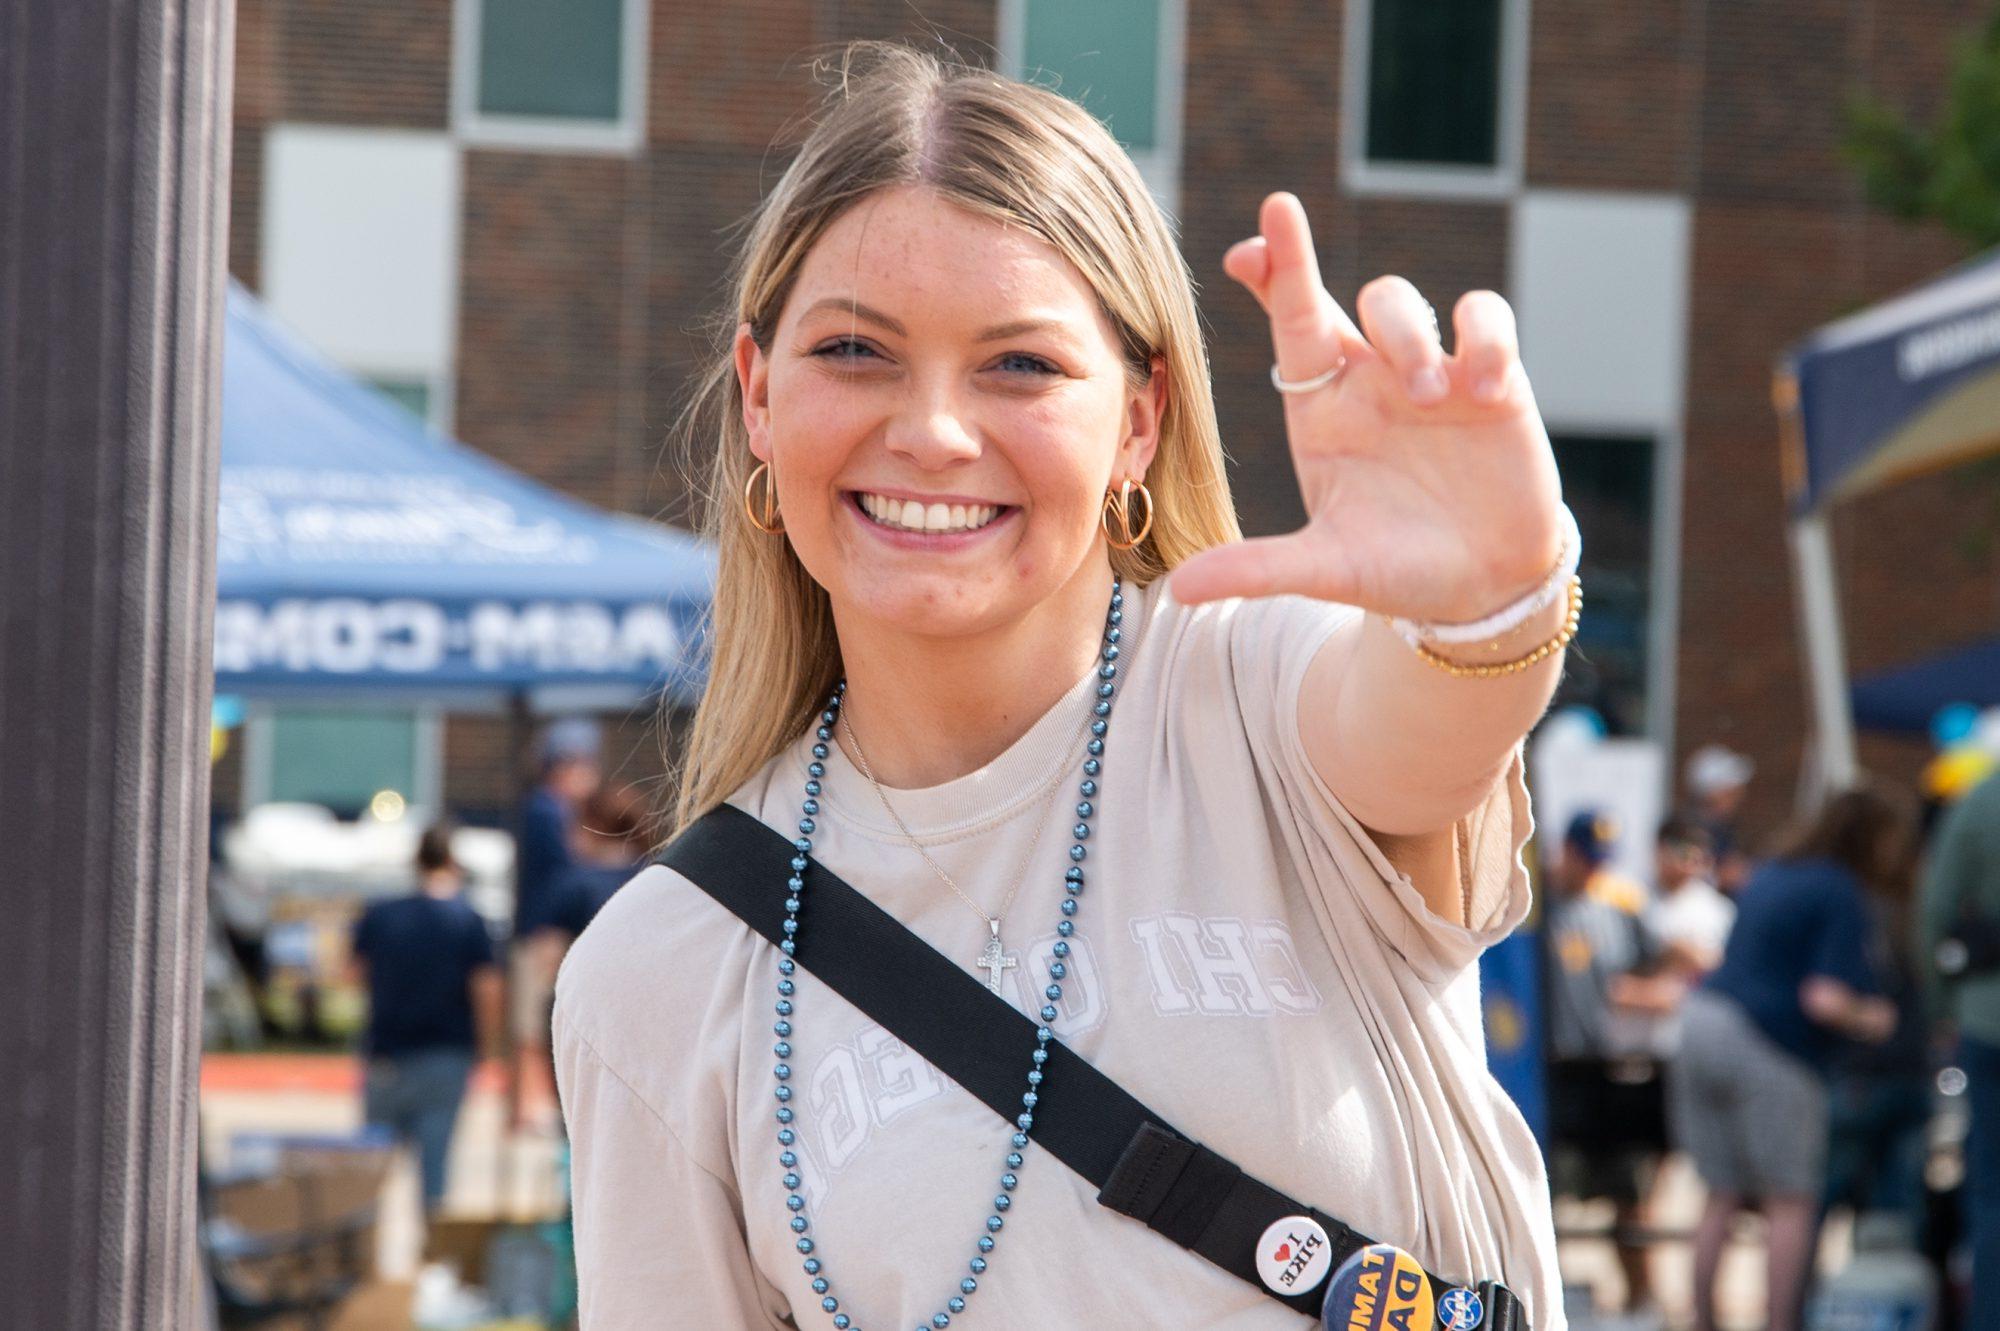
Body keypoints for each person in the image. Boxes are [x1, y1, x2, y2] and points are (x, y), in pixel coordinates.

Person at [554, 43, 1576, 1327]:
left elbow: (1432, 723)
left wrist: (1492, 598)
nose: (931, 428)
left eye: (1019, 364)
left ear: (1138, 421)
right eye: (855, 350)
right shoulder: (662, 970)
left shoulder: (1255, 697)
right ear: (759, 398)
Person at [1670, 785, 1908, 1331]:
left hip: (1701, 1023)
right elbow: (1823, 999)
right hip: (1767, 1043)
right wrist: (1876, 1018)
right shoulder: (1838, 888)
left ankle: (1701, 1322)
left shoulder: (1774, 870)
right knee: (1790, 1201)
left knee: (1721, 1196)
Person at [1543, 809, 1669, 1313]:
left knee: (1630, 1195)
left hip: (1612, 1068)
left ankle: (1643, 1301)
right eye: (1585, 858)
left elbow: (1661, 975)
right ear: (1566, 852)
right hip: (1554, 1069)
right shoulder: (1536, 907)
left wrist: (1640, 994)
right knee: (1550, 1192)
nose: (1594, 870)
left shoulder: (1621, 907)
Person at [350, 821, 504, 1212]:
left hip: (386, 1050)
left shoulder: (381, 914)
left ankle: (364, 1256)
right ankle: (430, 1259)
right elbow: (485, 987)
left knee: (372, 1166)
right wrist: (487, 1046)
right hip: (446, 1051)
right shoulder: (468, 919)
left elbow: (352, 972)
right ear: (453, 861)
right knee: (435, 1167)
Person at [1918, 767, 2000, 1324]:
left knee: (1992, 1193)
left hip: (1989, 1018)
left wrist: (1942, 1008)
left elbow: (1934, 909)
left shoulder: (1983, 800)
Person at [1684, 742, 1755, 895]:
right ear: (1712, 793)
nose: (1739, 796)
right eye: (1730, 791)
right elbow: (1680, 876)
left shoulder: (1725, 827)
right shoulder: (1687, 830)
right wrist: (1721, 877)